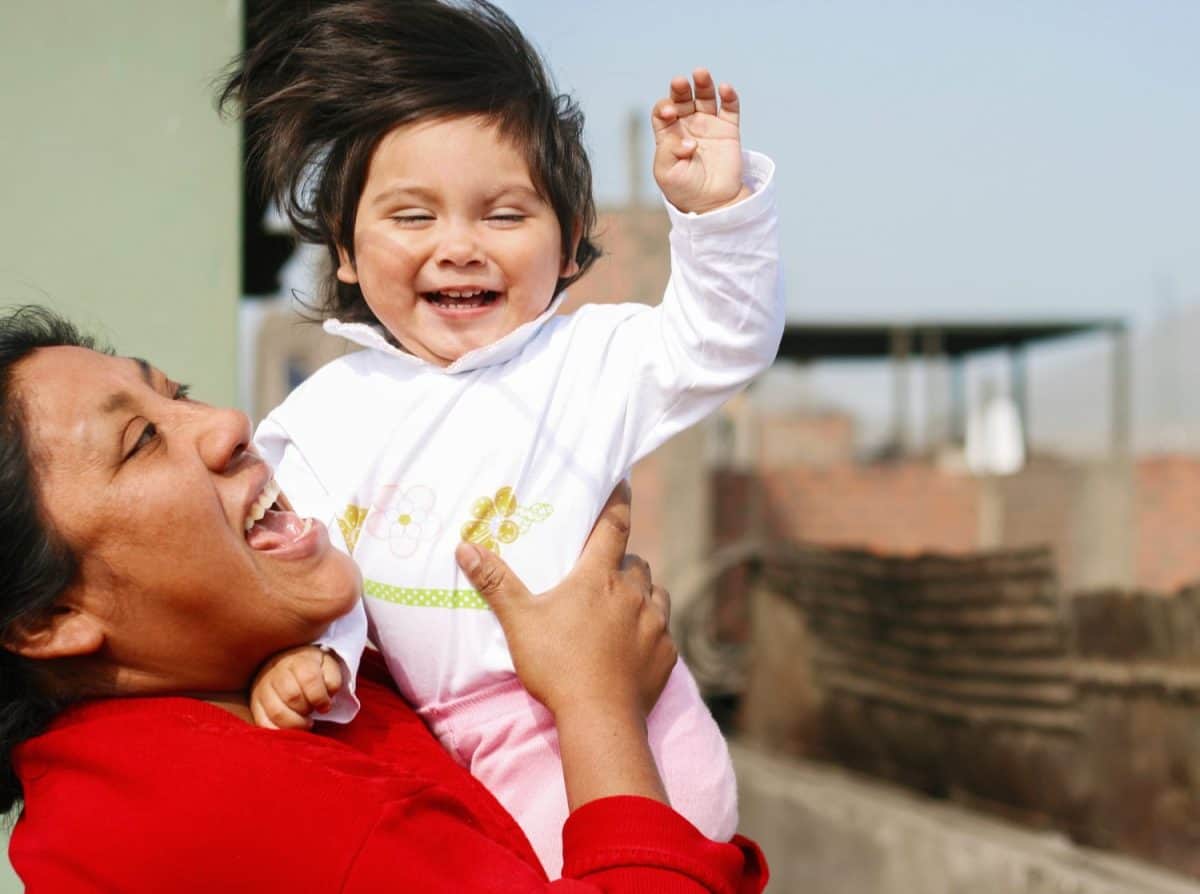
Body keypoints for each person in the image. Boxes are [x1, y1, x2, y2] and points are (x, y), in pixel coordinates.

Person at [224, 0, 785, 875]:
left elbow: (726, 339)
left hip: (620, 724)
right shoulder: (323, 417)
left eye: (504, 216)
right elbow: (306, 570)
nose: (459, 247)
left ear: (568, 248)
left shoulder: (590, 358)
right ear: (343, 251)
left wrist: (717, 218)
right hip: (439, 738)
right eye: (413, 218)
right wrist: (309, 661)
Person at [0, 306, 768, 891]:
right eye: (141, 440)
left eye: (179, 396)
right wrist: (600, 702)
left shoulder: (266, 693)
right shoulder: (218, 816)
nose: (227, 425)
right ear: (49, 619)